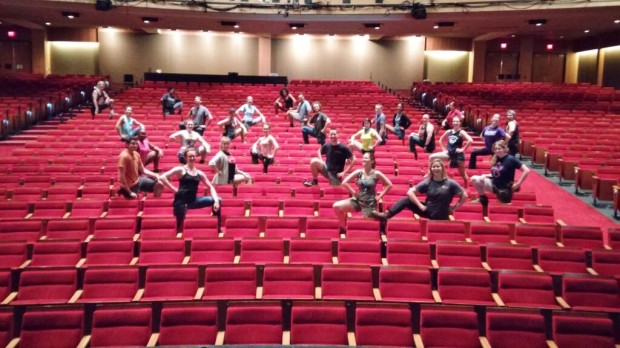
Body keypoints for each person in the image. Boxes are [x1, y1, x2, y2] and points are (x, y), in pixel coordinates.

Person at [371, 159, 467, 221]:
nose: (436, 168)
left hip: (442, 214)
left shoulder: (450, 183)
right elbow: (410, 192)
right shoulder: (428, 182)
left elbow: (464, 195)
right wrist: (420, 206)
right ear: (431, 169)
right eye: (433, 167)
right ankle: (386, 215)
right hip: (428, 210)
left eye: (438, 166)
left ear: (442, 168)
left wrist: (455, 207)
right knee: (405, 201)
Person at [158, 147, 221, 233]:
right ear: (185, 157)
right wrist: (173, 189)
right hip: (181, 202)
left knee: (218, 200)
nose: (192, 158)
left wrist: (216, 202)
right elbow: (162, 177)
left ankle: (217, 228)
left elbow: (211, 187)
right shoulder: (180, 169)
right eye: (189, 156)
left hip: (193, 200)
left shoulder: (199, 173)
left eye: (193, 156)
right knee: (179, 227)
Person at [332, 152, 393, 231]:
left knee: (369, 228)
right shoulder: (359, 172)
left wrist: (379, 196)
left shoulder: (376, 173)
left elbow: (389, 185)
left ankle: (382, 228)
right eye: (363, 158)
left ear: (372, 161)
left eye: (366, 158)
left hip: (369, 203)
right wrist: (353, 192)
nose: (363, 159)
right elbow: (344, 182)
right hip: (358, 201)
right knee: (336, 206)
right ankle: (343, 228)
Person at [470, 140, 530, 206]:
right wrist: (485, 175)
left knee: (503, 207)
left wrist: (518, 184)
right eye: (496, 149)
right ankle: (483, 198)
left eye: (499, 149)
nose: (497, 151)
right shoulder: (496, 158)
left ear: (505, 149)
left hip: (504, 189)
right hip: (494, 185)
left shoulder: (511, 159)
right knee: (474, 179)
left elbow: (526, 170)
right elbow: (496, 173)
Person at [429, 116, 473, 185]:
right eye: (454, 121)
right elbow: (440, 140)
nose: (455, 123)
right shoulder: (449, 131)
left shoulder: (461, 132)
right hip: (449, 154)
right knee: (431, 157)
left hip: (458, 156)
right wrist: (444, 149)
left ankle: (466, 184)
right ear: (452, 122)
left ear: (460, 123)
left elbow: (470, 140)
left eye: (457, 121)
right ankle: (430, 174)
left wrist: (463, 149)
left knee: (463, 174)